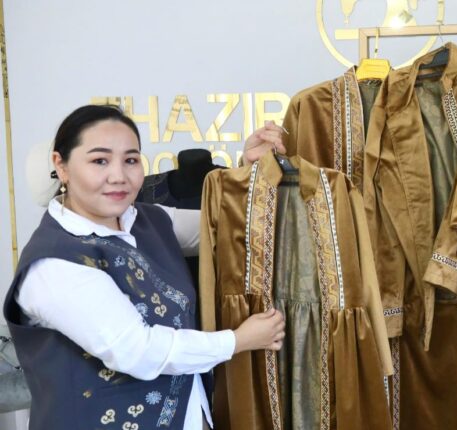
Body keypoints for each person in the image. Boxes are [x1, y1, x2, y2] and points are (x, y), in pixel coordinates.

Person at [3, 105, 285, 430]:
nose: (118, 175)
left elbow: (221, 224)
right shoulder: (54, 263)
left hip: (189, 414)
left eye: (131, 160)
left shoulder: (146, 219)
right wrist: (238, 340)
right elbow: (138, 350)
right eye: (100, 161)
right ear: (61, 166)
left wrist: (248, 172)